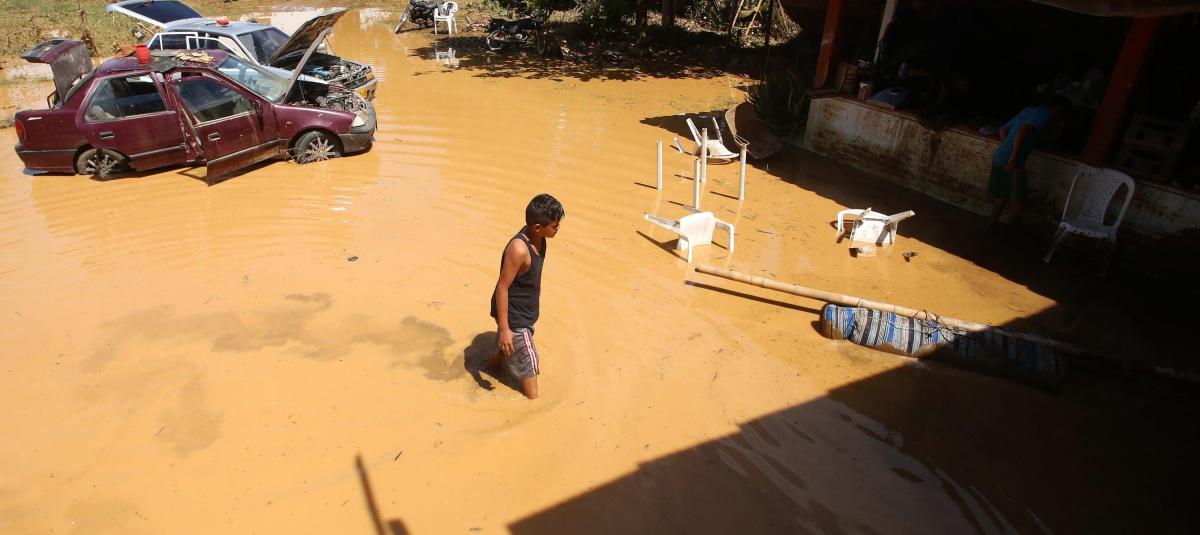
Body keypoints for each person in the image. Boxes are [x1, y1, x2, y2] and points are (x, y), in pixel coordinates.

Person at [487, 194, 564, 400]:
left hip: (521, 312)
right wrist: (505, 329)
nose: (558, 228)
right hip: (516, 319)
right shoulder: (519, 249)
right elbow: (502, 287)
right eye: (554, 225)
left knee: (505, 348)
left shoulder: (541, 238)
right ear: (538, 227)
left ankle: (489, 366)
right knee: (533, 388)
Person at [986, 96, 1070, 233]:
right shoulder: (1044, 115)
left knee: (1006, 193)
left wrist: (1007, 147)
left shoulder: (1029, 110)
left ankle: (994, 225)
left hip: (1001, 155)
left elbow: (1003, 130)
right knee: (1018, 197)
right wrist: (1013, 157)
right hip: (1013, 159)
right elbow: (1022, 131)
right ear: (1059, 109)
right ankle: (1009, 228)